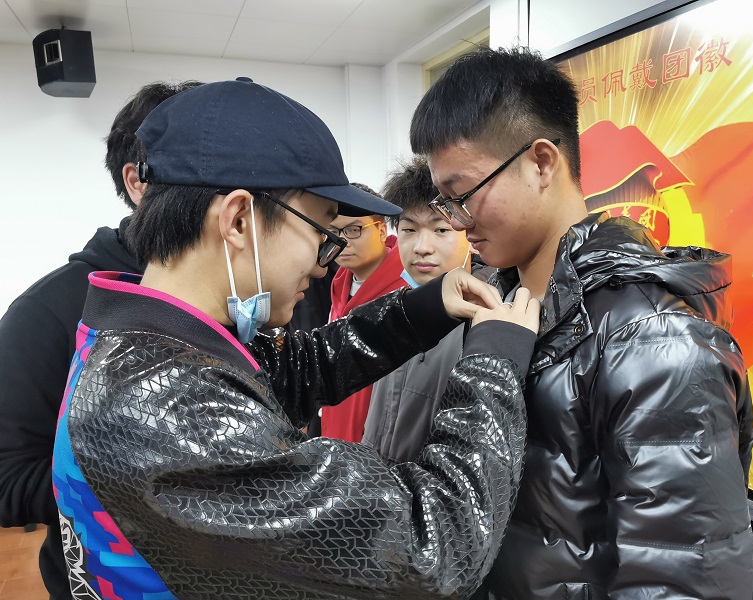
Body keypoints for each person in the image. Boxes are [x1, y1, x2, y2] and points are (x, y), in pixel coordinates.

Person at [52, 77, 542, 600]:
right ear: (239, 220)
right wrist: (494, 363)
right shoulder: (170, 411)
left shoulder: (154, 343)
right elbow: (432, 549)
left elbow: (298, 370)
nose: (323, 262)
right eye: (322, 232)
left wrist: (424, 308)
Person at [409, 47, 753, 600]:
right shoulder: (497, 302)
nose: (457, 221)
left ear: (541, 163)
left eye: (464, 195)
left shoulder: (651, 338)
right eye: (445, 201)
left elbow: (681, 575)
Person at [0, 80, 201, 599]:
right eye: (204, 171)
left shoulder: (238, 300)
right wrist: (153, 482)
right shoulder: (46, 312)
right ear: (138, 181)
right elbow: (7, 479)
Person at [362, 157, 492, 463]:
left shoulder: (484, 320)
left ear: (469, 233)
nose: (422, 247)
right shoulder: (395, 308)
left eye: (441, 230)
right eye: (409, 229)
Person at [319, 183, 406, 442]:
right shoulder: (339, 285)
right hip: (335, 433)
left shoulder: (405, 291)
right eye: (333, 231)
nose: (342, 241)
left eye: (354, 230)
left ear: (382, 230)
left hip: (373, 443)